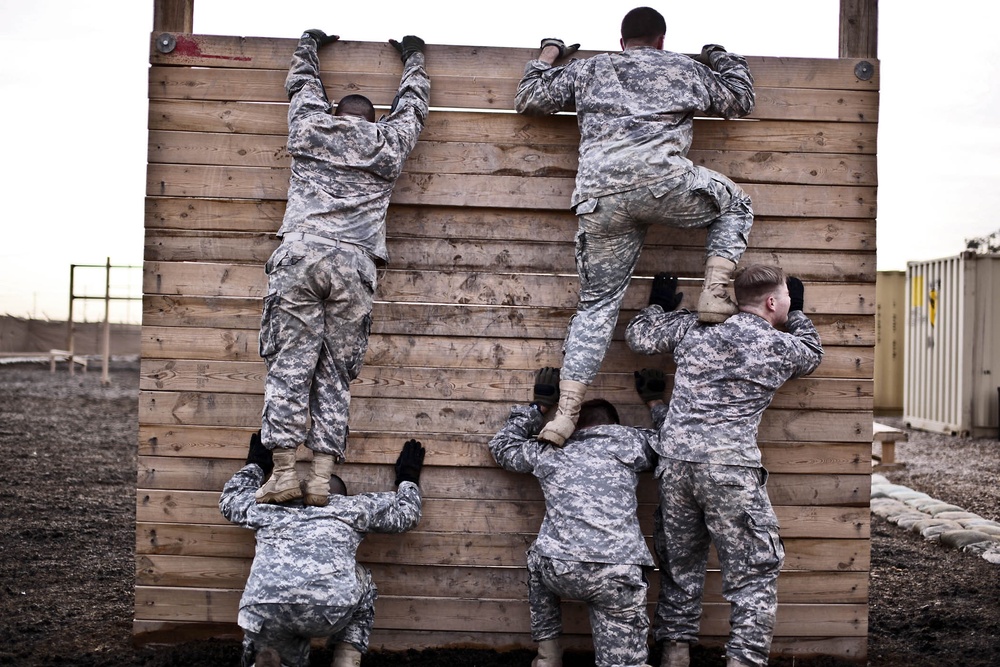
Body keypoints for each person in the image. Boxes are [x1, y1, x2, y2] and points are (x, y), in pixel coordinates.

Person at [513, 6, 756, 446]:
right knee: (736, 202)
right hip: (666, 185)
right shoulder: (683, 68)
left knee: (597, 306)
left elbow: (529, 98)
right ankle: (716, 294)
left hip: (600, 199)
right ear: (662, 40)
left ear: (621, 41)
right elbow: (740, 99)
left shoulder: (590, 69)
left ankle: (564, 417)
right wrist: (718, 55)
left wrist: (549, 53)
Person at [256, 30, 431, 505]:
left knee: (290, 367)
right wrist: (413, 57)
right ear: (375, 121)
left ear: (337, 112)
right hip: (354, 265)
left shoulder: (311, 127)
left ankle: (285, 473)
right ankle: (320, 478)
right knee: (334, 373)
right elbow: (413, 106)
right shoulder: (388, 143)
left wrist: (310, 44)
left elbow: (302, 84)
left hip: (302, 255)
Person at [624, 267, 824, 667]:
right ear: (772, 303)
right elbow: (813, 353)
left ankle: (676, 654)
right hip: (729, 472)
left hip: (676, 467)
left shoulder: (694, 329)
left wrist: (658, 305)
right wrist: (797, 313)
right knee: (753, 575)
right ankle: (742, 662)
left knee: (681, 565)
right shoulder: (779, 345)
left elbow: (639, 336)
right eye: (784, 296)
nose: (786, 301)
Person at [488, 366, 669, 667]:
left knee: (538, 559)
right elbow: (679, 442)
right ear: (614, 425)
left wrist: (538, 407)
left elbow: (502, 447)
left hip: (561, 570)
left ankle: (548, 656)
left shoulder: (550, 451)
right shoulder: (631, 442)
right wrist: (655, 403)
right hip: (617, 574)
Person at [220, 432, 426, 667]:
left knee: (283, 651)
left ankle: (275, 659)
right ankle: (345, 661)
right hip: (328, 607)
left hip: (266, 607)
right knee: (364, 582)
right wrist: (408, 478)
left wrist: (256, 465)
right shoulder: (351, 507)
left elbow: (230, 501)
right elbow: (407, 515)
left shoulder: (271, 506)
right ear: (339, 496)